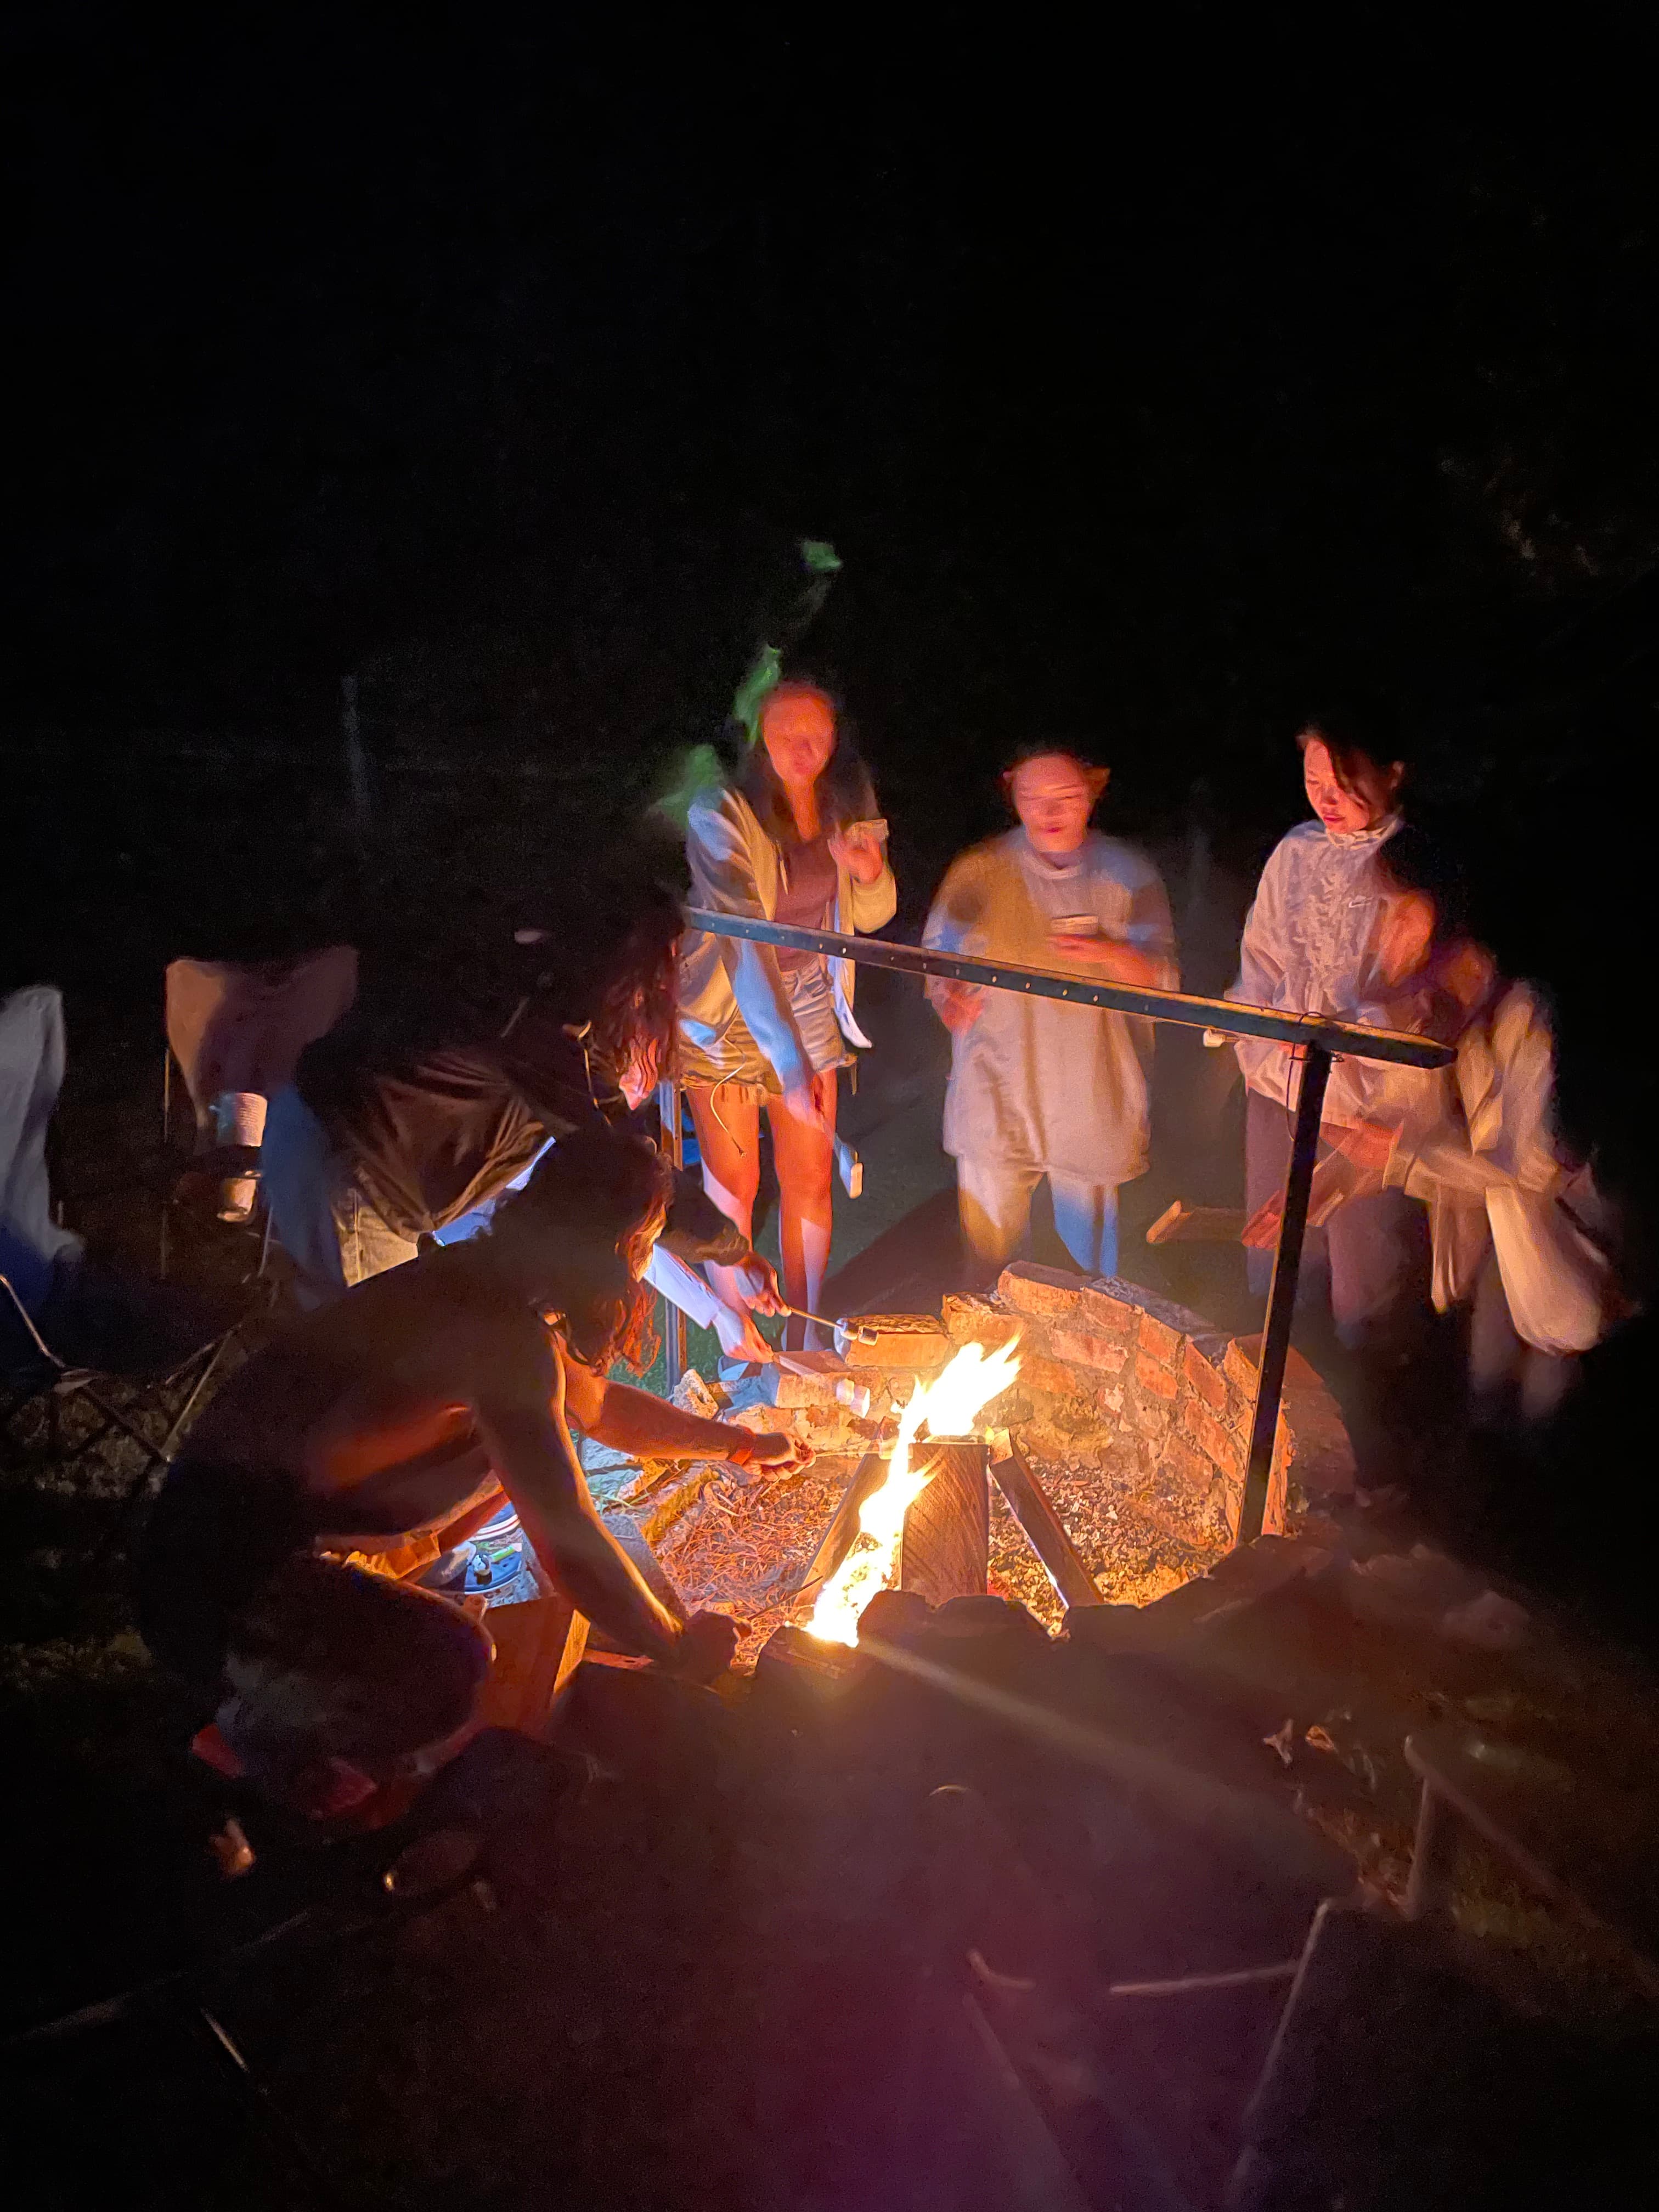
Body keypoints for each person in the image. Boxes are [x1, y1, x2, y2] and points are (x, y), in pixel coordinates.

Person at [137, 1128, 811, 1821]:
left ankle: (293, 1686)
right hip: (217, 1585)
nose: (646, 1267)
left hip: (226, 1534)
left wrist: (741, 1446)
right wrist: (677, 1646)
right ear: (620, 1247)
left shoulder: (487, 1280)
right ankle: (261, 1736)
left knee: (498, 1476)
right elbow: (568, 1539)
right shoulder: (501, 1337)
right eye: (650, 1243)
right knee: (455, 1665)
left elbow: (601, 1407)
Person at [261, 885, 785, 1362]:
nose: (668, 990)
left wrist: (726, 1274)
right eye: (662, 974)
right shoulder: (555, 1028)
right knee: (378, 1377)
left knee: (395, 1358)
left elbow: (625, 1185)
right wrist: (731, 1251)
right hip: (355, 1169)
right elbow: (631, 1179)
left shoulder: (537, 986)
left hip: (340, 1148)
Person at [1248, 830, 1623, 1428]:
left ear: (1446, 911)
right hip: (1497, 1257)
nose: (1382, 935)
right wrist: (1317, 1191)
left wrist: (1400, 1153)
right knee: (1485, 1406)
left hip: (1562, 1261)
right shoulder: (1434, 1015)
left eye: (1397, 913)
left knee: (1544, 1415)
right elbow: (1398, 1126)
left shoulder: (1527, 1012)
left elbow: (1529, 1165)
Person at [676, 680, 895, 1351]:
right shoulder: (721, 811)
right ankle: (740, 1343)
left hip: (807, 996)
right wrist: (790, 1064)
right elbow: (742, 937)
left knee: (810, 1178)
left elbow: (875, 915)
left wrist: (869, 874)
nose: (803, 749)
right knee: (734, 1184)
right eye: (786, 734)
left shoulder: (845, 804)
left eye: (817, 736)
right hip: (727, 1004)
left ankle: (806, 1338)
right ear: (757, 736)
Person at [922, 747, 1177, 1282]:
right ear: (1012, 795)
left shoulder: (1126, 875)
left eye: (1066, 797)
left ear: (1092, 794)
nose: (1050, 813)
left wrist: (1110, 952)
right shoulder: (981, 871)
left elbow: (1162, 982)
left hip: (1090, 1091)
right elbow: (938, 959)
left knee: (1092, 1277)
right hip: (997, 1088)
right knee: (990, 1263)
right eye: (1033, 799)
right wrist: (949, 997)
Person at [1228, 712, 1429, 1352]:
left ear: (1392, 774)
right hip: (1281, 1089)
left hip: (1369, 1105)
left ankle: (1371, 1395)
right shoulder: (1296, 852)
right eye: (1314, 781)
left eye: (1344, 782)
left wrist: (1342, 1039)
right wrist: (1260, 1042)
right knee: (1280, 1262)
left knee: (1364, 1285)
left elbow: (1424, 993)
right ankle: (1275, 1388)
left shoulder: (1415, 862)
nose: (1327, 798)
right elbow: (1261, 962)